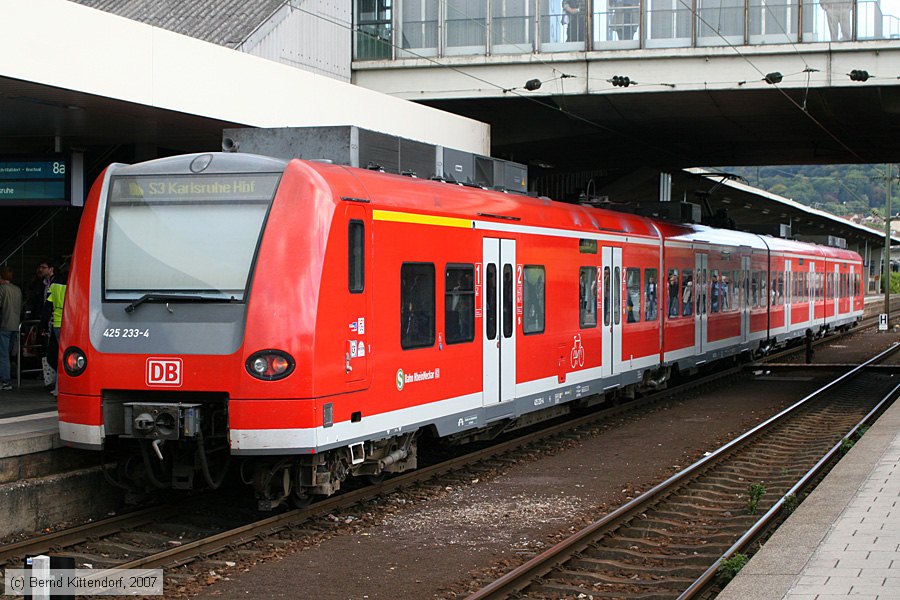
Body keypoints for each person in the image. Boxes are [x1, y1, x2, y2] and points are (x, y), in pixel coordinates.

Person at [41, 266, 68, 396]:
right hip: (70, 325)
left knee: (60, 357)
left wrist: (43, 326)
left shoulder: (54, 286)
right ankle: (63, 388)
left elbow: (47, 308)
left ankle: (58, 389)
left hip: (57, 324)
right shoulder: (75, 284)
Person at [0, 267, 23, 391]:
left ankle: (6, 381)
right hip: (15, 325)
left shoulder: (2, 289)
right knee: (7, 354)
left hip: (4, 325)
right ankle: (7, 377)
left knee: (3, 355)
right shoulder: (17, 289)